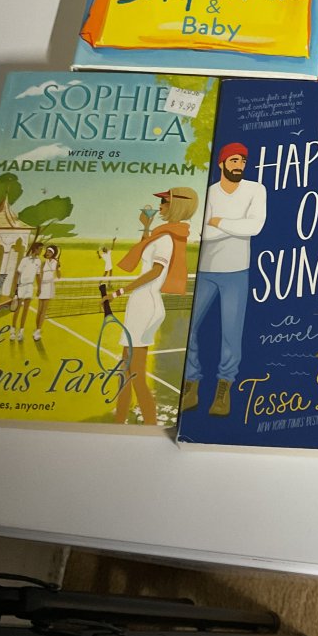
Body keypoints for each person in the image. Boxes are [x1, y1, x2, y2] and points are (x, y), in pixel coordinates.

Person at [181, 143, 267, 417]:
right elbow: (202, 233)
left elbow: (255, 226)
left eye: (243, 161)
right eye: (234, 161)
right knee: (189, 328)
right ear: (221, 164)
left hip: (237, 273)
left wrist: (217, 221)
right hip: (205, 271)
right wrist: (233, 225)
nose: (239, 166)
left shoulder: (256, 190)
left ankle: (223, 390)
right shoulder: (209, 193)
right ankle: (191, 384)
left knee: (231, 335)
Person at [110, 186, 199, 426]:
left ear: (177, 206)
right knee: (126, 371)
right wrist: (146, 226)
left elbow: (156, 271)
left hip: (144, 305)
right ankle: (119, 420)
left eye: (165, 202)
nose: (160, 206)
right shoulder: (163, 234)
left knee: (134, 373)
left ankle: (149, 424)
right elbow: (145, 252)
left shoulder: (168, 238)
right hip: (141, 304)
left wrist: (119, 292)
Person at [12, 241, 43, 341]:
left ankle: (21, 332)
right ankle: (13, 331)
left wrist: (39, 288)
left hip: (29, 287)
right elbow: (17, 274)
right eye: (40, 249)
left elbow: (38, 276)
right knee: (17, 309)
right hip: (21, 286)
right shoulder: (24, 260)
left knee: (25, 310)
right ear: (35, 249)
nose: (41, 251)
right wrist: (15, 288)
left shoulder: (38, 262)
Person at [33, 244, 61, 342]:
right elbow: (39, 276)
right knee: (39, 311)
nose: (48, 253)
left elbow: (59, 276)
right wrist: (39, 288)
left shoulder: (56, 263)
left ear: (53, 253)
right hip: (42, 286)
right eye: (47, 251)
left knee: (43, 311)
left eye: (50, 252)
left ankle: (38, 330)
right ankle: (37, 329)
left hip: (50, 287)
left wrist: (58, 268)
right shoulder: (43, 263)